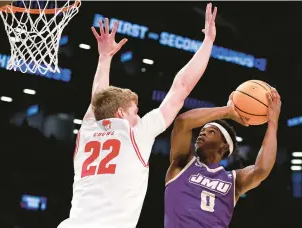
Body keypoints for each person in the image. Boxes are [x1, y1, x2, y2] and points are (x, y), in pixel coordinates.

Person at [58, 3, 217, 228]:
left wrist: (104, 59)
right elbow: (181, 86)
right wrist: (208, 42)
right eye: (136, 111)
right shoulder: (135, 132)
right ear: (121, 113)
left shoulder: (88, 131)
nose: (139, 116)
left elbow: (98, 98)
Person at [164, 89, 281, 228]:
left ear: (224, 145)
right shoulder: (182, 164)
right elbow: (182, 122)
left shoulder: (233, 180)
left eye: (211, 132)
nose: (202, 134)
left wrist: (273, 123)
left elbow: (261, 169)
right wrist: (227, 111)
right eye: (202, 131)